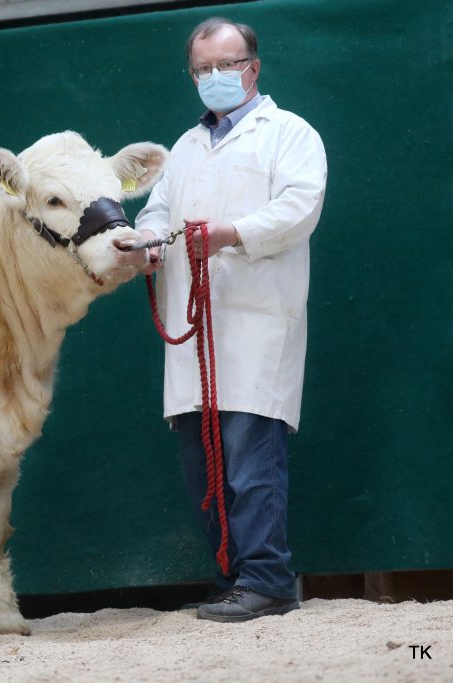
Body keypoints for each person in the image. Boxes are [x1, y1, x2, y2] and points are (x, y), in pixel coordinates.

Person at [130, 17, 327, 622]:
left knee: (250, 457)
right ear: (192, 75)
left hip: (257, 323)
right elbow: (159, 210)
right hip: (195, 330)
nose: (215, 77)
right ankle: (235, 576)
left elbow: (298, 208)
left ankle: (267, 578)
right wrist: (144, 241)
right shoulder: (184, 147)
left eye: (227, 64)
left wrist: (229, 235)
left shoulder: (289, 134)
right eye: (203, 69)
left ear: (254, 67)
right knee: (203, 463)